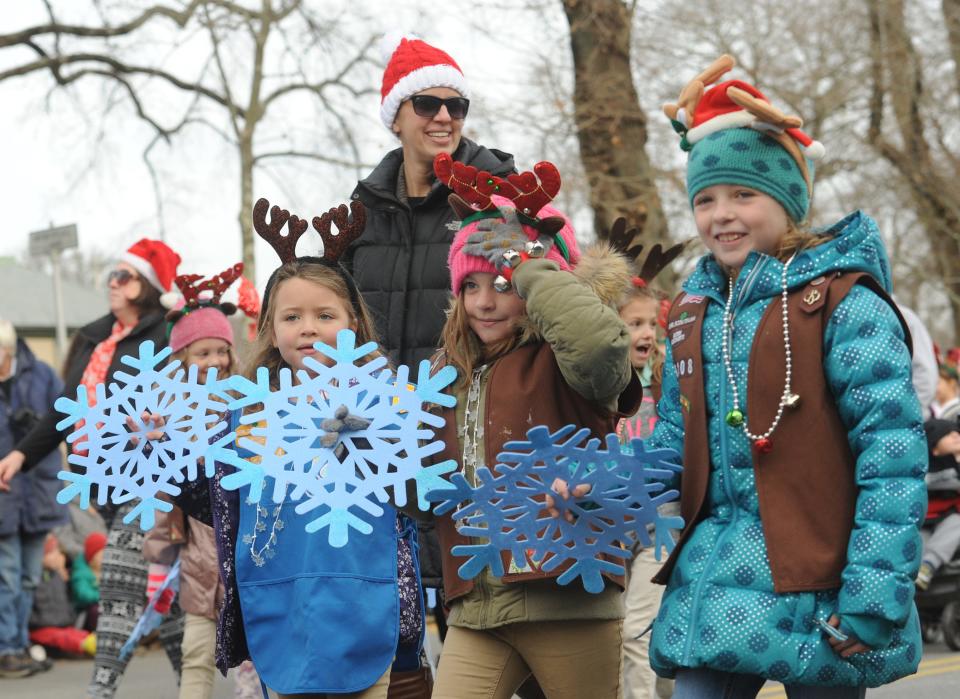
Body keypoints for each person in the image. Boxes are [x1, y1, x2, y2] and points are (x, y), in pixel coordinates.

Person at [646, 56, 926, 697]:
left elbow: (891, 457)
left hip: (825, 587)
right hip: (717, 584)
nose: (722, 213)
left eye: (744, 193)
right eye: (706, 198)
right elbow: (672, 442)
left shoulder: (843, 304)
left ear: (788, 199)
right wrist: (598, 488)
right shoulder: (692, 314)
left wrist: (874, 594)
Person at [170, 200, 426, 698]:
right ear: (271, 328)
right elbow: (222, 502)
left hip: (364, 603)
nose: (308, 327)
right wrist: (169, 458)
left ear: (355, 323)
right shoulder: (248, 412)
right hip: (281, 611)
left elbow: (414, 490)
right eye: (292, 316)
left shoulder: (387, 399)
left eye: (325, 314)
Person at [422, 158, 642, 699]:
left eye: (502, 282)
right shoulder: (445, 374)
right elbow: (421, 490)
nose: (484, 301)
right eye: (469, 285)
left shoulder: (568, 362)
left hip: (567, 594)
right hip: (477, 603)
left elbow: (597, 343)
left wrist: (528, 264)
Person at [347, 34, 515, 652]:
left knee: (487, 621)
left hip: (471, 439)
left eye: (456, 104)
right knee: (396, 633)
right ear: (396, 116)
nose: (444, 116)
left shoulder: (498, 196)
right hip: (378, 446)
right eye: (426, 104)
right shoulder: (360, 213)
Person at [0, 238, 185, 698]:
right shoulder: (94, 338)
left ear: (146, 286)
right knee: (171, 596)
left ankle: (100, 690)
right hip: (98, 481)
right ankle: (195, 683)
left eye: (123, 276)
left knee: (120, 584)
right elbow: (66, 408)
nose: (112, 284)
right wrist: (22, 455)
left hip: (147, 479)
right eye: (112, 275)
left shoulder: (163, 335)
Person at [142, 265, 261, 699]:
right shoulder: (168, 420)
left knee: (252, 660)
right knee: (196, 653)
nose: (215, 362)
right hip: (197, 561)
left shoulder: (246, 407)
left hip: (244, 556)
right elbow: (163, 495)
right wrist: (158, 565)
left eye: (220, 352)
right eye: (202, 353)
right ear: (182, 360)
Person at [614, 244, 678, 699]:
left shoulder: (668, 383)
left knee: (637, 632)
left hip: (662, 520)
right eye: (635, 323)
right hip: (609, 523)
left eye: (653, 324)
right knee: (620, 632)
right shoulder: (598, 386)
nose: (647, 333)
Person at [0, 319, 67, 677]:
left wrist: (35, 427)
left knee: (28, 576)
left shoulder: (41, 375)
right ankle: (7, 646)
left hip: (38, 492)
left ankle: (20, 642)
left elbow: (64, 418)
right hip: (4, 497)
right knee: (7, 575)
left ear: (8, 349)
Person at [28, 533, 96, 659]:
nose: (60, 557)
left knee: (79, 634)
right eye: (54, 553)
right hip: (40, 628)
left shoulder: (58, 576)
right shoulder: (33, 578)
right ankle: (88, 646)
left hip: (62, 624)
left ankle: (98, 644)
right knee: (63, 638)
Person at [916, 419, 960, 589]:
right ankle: (916, 571)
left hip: (952, 513)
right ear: (934, 448)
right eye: (947, 434)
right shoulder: (926, 469)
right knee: (920, 539)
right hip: (926, 516)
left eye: (956, 432)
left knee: (955, 526)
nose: (955, 435)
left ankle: (928, 565)